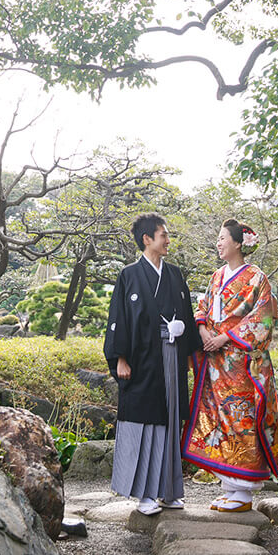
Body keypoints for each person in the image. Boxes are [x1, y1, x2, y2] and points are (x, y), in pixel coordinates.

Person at [181, 218, 278, 511]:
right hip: (215, 362)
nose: (218, 243)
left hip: (239, 363)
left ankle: (245, 493)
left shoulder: (256, 278)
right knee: (219, 420)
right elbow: (202, 307)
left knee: (241, 419)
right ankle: (229, 487)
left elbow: (263, 317)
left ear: (238, 243)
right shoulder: (216, 277)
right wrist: (203, 331)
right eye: (217, 238)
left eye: (222, 238)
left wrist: (225, 337)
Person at [104, 213, 201, 515]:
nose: (168, 240)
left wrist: (186, 348)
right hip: (141, 358)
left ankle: (169, 491)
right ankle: (144, 494)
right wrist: (120, 357)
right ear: (147, 239)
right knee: (144, 420)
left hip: (170, 355)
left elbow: (185, 311)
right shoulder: (129, 275)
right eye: (163, 235)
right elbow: (118, 319)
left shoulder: (174, 274)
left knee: (170, 419)